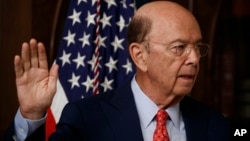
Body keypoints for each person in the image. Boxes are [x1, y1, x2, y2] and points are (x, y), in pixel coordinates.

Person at [4, 1, 229, 141]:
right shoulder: (85, 119)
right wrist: (31, 115)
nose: (194, 59)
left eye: (197, 47)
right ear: (140, 56)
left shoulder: (216, 126)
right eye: (179, 48)